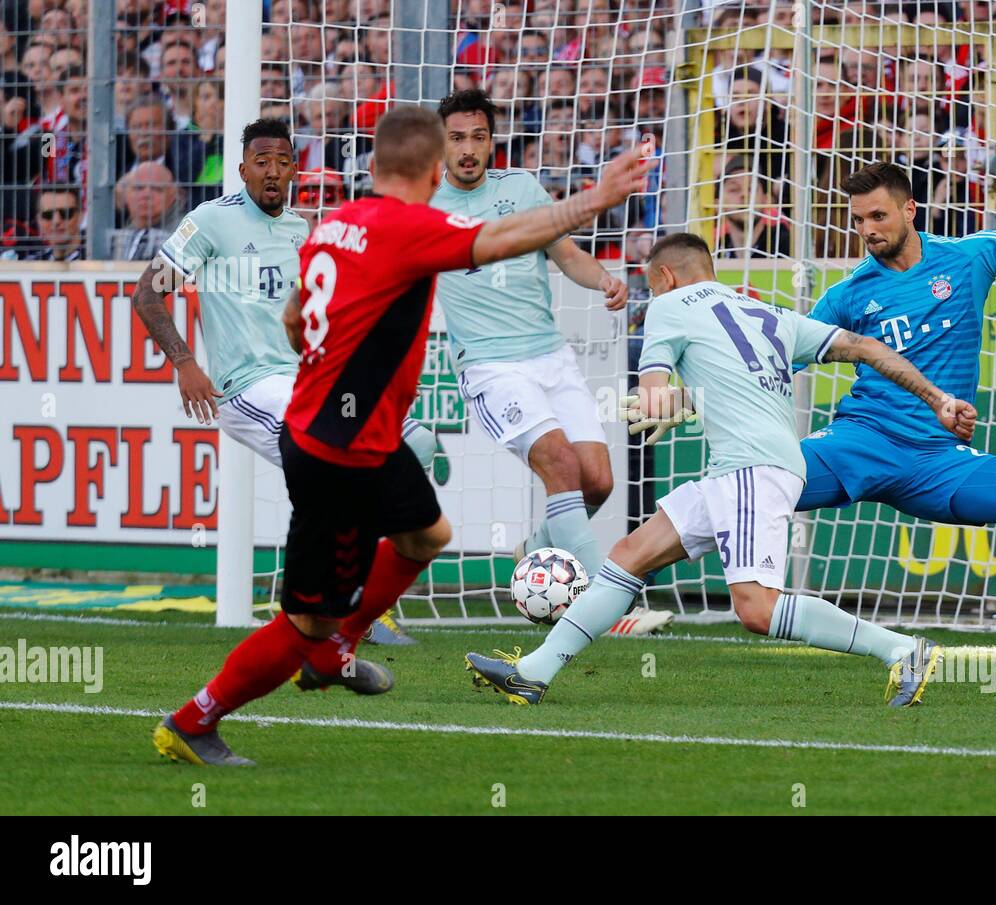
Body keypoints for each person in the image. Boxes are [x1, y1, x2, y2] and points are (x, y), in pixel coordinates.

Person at [151, 104, 654, 765]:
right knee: (304, 623)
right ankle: (194, 720)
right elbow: (507, 237)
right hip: (334, 448)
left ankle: (340, 642)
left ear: (376, 164)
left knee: (427, 534)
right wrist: (597, 197)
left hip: (364, 435)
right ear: (432, 169)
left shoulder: (336, 224)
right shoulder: (409, 228)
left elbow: (296, 318)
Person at [645, 142, 996, 631]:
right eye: (858, 221)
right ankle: (624, 580)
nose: (868, 230)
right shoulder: (848, 294)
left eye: (878, 216)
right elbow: (770, 363)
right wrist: (687, 401)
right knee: (735, 494)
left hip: (937, 462)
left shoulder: (971, 257)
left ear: (910, 210)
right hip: (857, 444)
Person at [465, 233, 979, 707]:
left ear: (665, 277)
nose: (652, 295)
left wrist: (658, 401)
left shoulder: (668, 306)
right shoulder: (769, 313)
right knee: (628, 557)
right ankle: (533, 673)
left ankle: (901, 649)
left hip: (750, 469)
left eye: (652, 285)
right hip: (744, 468)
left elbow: (653, 391)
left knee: (757, 609)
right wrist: (937, 398)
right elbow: (865, 347)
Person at [129, 118, 436, 647]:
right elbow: (147, 293)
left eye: (282, 162)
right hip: (248, 387)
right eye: (261, 162)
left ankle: (334, 602)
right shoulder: (210, 221)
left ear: (296, 169)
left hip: (310, 381)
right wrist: (185, 362)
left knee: (416, 443)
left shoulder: (302, 232)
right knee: (338, 469)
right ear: (242, 169)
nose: (272, 172)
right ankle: (347, 605)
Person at [433, 87, 672, 635]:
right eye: (456, 139)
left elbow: (565, 254)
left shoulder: (520, 187)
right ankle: (608, 607)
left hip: (551, 355)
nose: (467, 149)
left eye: (477, 137)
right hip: (490, 366)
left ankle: (535, 547)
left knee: (598, 481)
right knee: (561, 464)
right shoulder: (427, 211)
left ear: (491, 142)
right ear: (440, 145)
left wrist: (603, 279)